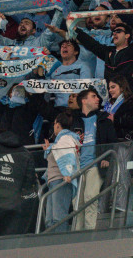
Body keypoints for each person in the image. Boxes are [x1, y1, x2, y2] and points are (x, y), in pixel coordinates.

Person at [73, 88, 117, 230]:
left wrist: (108, 157)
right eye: (93, 96)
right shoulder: (74, 121)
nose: (97, 99)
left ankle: (89, 233)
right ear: (84, 101)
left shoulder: (104, 119)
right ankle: (76, 234)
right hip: (78, 166)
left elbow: (113, 142)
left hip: (95, 164)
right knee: (77, 202)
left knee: (90, 197)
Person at [42, 112, 81, 232]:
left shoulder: (65, 139)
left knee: (58, 217)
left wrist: (67, 174)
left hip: (61, 181)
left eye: (54, 124)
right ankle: (51, 245)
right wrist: (49, 149)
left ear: (58, 125)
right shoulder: (60, 141)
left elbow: (67, 158)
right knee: (50, 219)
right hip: (54, 181)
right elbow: (58, 155)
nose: (54, 127)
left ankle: (59, 245)